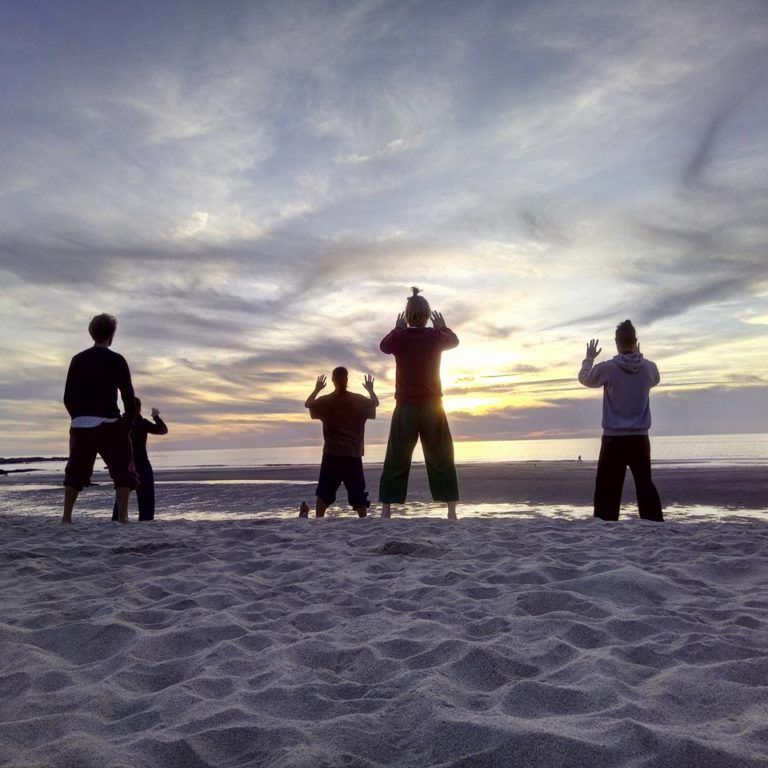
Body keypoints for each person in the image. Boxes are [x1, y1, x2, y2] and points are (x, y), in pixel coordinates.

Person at [378, 287, 460, 519]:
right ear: (427, 314)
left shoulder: (399, 337)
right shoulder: (435, 337)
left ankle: (387, 508)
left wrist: (397, 328)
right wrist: (441, 326)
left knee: (397, 456)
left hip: (405, 407)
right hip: (432, 406)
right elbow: (454, 341)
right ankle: (451, 509)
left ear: (406, 315)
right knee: (442, 455)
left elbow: (383, 346)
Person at [578, 319, 663, 522]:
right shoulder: (649, 368)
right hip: (640, 438)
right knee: (645, 485)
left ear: (617, 343)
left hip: (614, 438)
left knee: (607, 488)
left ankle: (606, 524)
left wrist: (589, 358)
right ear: (635, 341)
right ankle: (653, 524)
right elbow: (655, 379)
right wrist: (637, 356)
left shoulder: (609, 368)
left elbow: (584, 378)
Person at [63, 313, 138, 523]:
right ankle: (123, 517)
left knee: (75, 470)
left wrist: (77, 418)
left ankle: (66, 517)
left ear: (91, 333)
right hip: (109, 422)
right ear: (112, 335)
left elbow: (68, 396)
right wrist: (127, 422)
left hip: (81, 424)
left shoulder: (78, 359)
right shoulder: (116, 360)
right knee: (123, 470)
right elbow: (128, 395)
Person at [304, 368, 379, 517]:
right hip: (352, 454)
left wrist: (317, 389)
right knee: (358, 493)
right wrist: (371, 390)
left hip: (332, 453)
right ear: (347, 379)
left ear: (333, 380)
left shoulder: (326, 401)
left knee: (324, 491)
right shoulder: (358, 400)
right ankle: (363, 521)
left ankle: (319, 520)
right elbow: (375, 403)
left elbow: (308, 404)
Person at [111, 398, 168, 522]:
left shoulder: (120, 422)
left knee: (122, 493)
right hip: (141, 463)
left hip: (125, 464)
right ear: (139, 409)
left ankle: (117, 519)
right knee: (146, 497)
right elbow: (162, 430)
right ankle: (145, 519)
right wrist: (156, 418)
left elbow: (111, 443)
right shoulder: (141, 422)